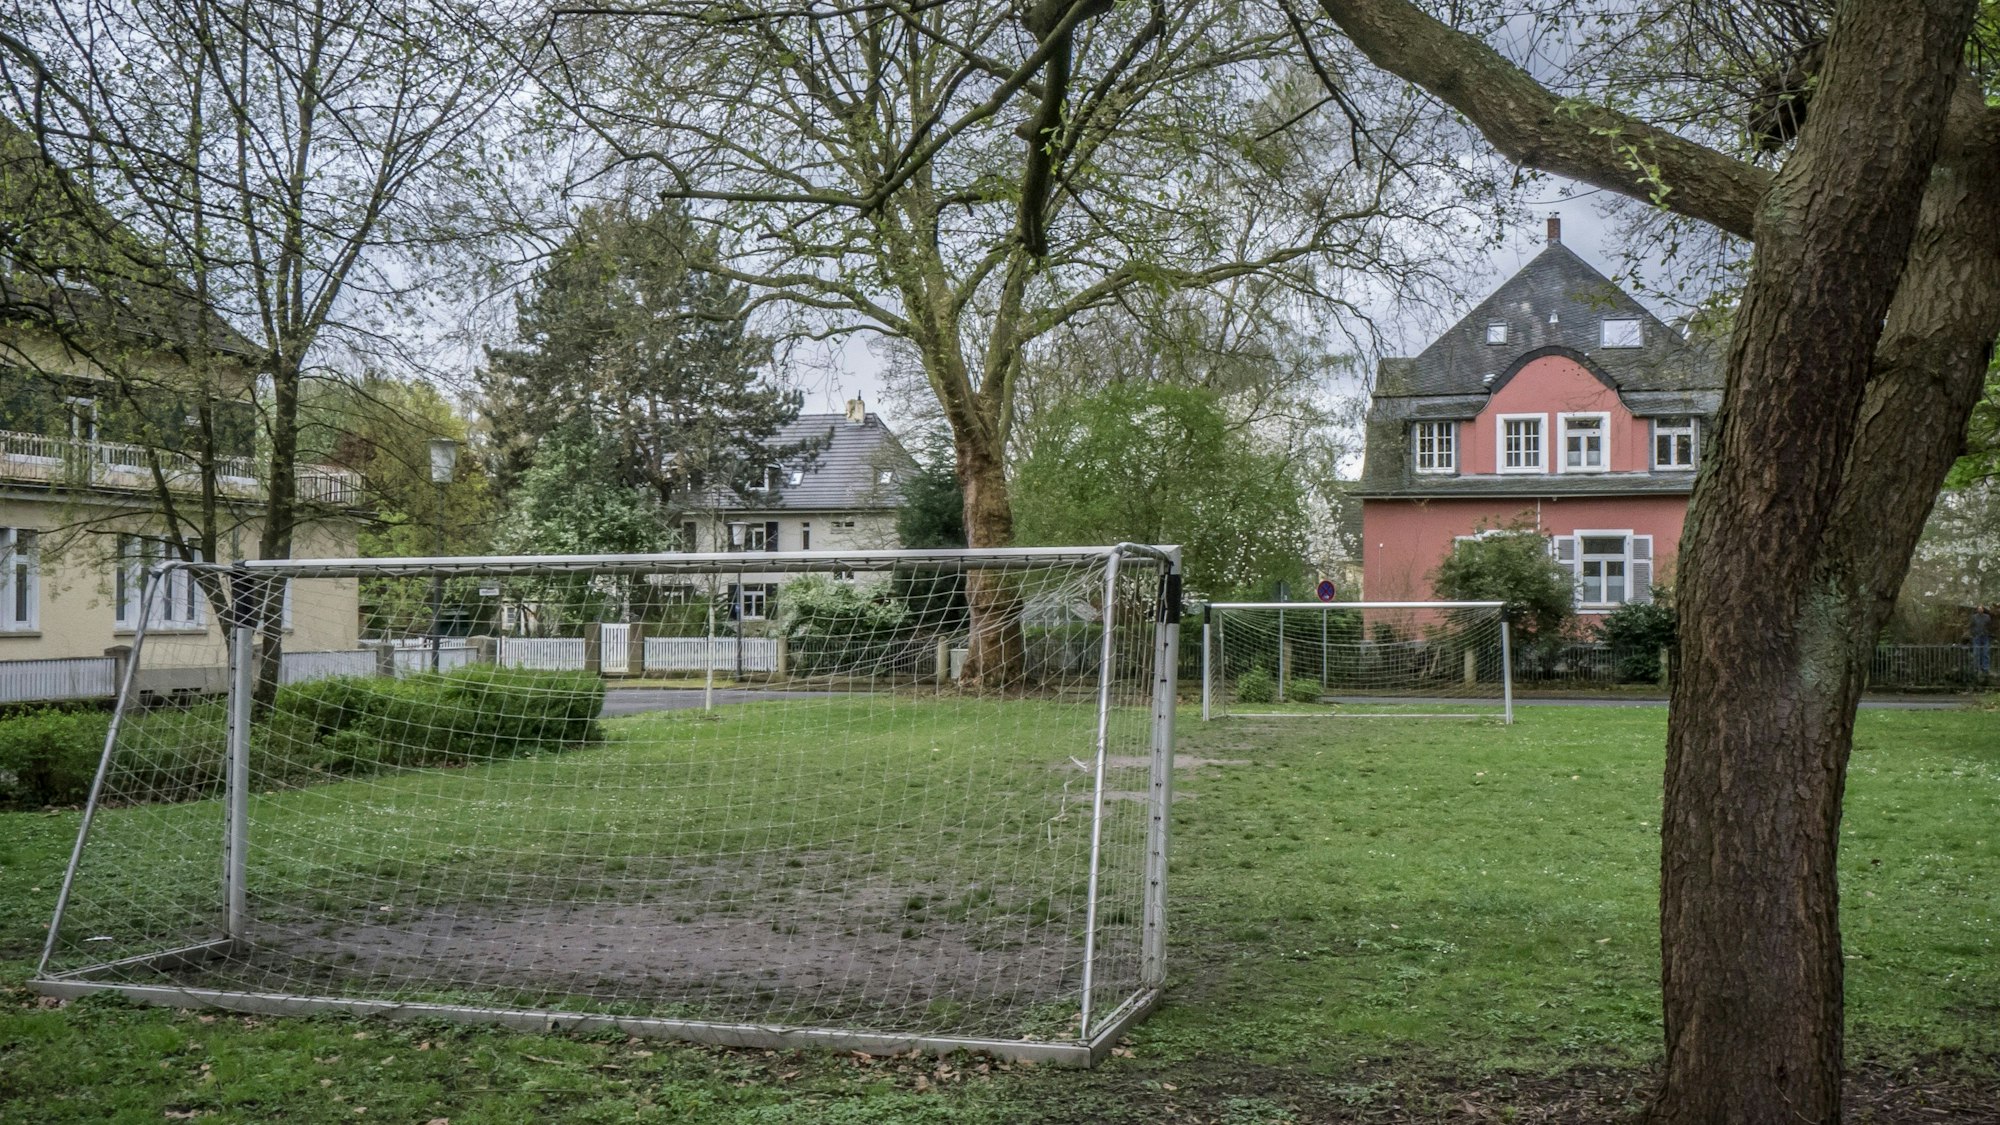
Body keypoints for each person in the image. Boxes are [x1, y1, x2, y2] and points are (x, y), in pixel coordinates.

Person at [1972, 604, 1992, 677]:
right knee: (1976, 652)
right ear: (1977, 610)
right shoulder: (1974, 617)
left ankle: (1985, 668)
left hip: (1985, 636)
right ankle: (1976, 668)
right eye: (1979, 609)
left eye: (1981, 609)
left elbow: (1990, 626)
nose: (1980, 610)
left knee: (1985, 652)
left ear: (1983, 610)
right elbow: (1971, 626)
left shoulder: (1987, 617)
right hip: (1977, 636)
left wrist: (1987, 632)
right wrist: (1974, 633)